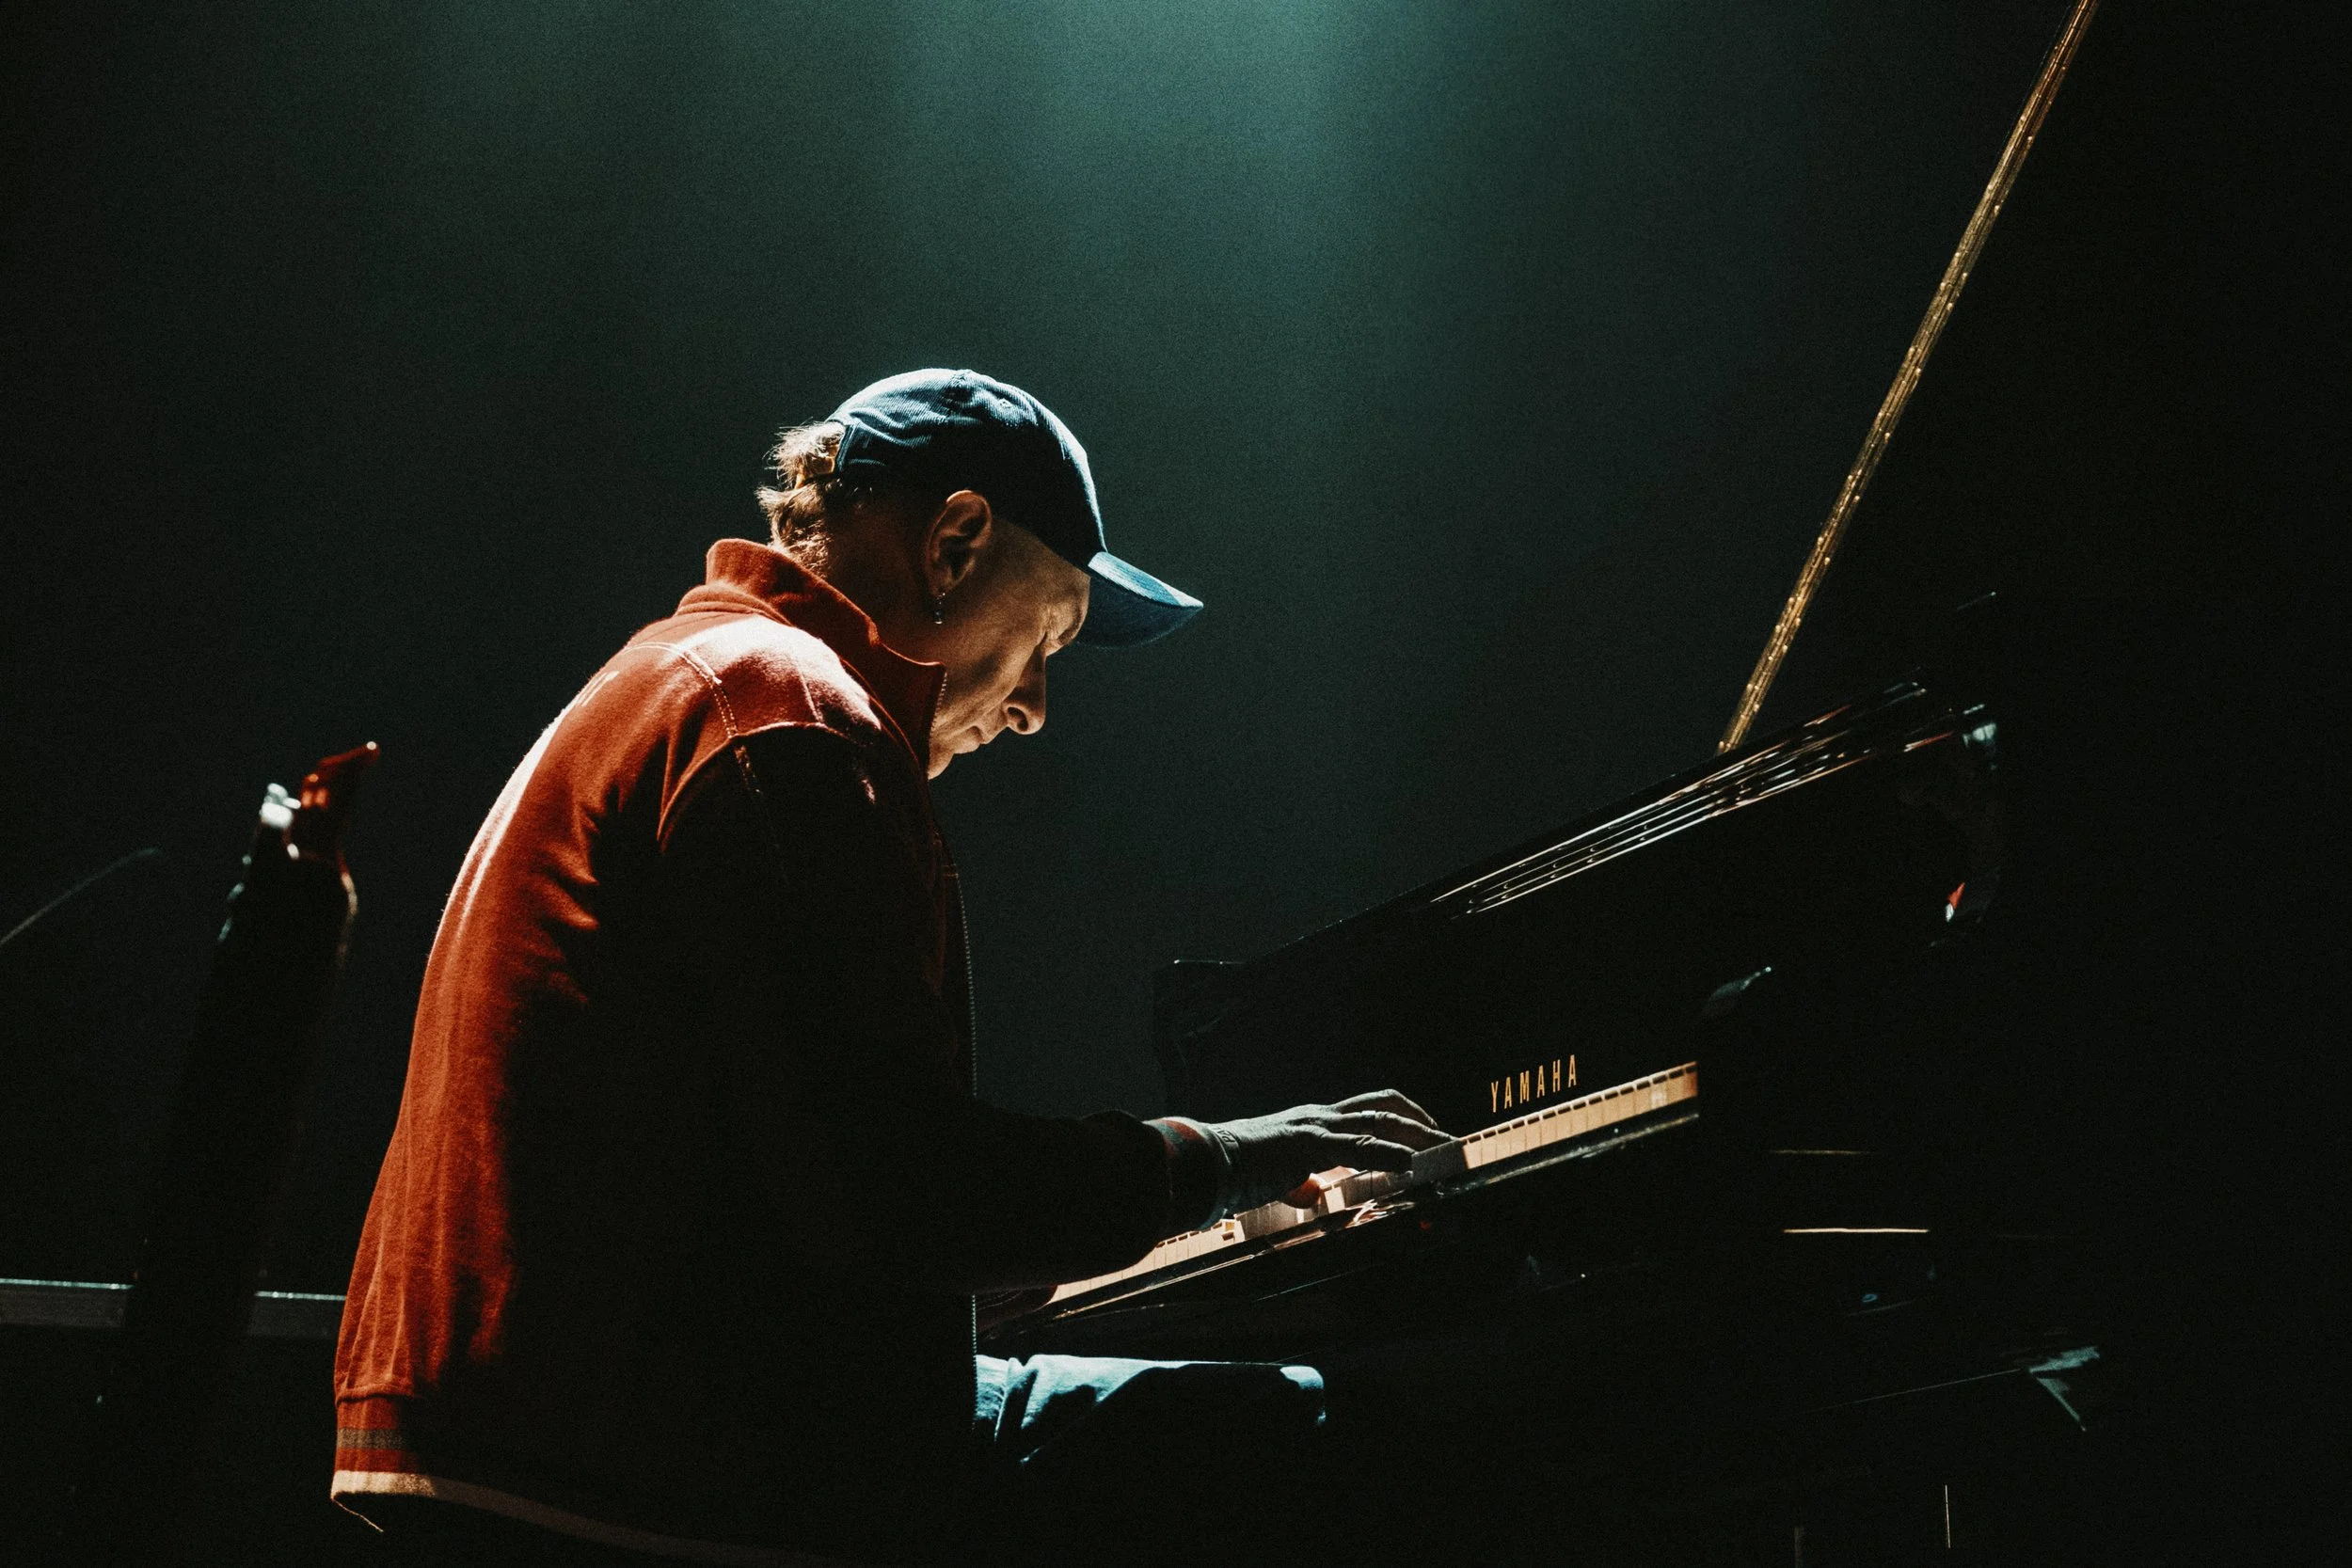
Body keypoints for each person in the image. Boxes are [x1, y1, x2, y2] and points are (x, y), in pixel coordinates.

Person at [330, 369, 1448, 1565]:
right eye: (1051, 635)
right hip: (642, 1448)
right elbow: (894, 1185)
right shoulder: (790, 712)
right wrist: (1224, 1158)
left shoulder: (682, 675)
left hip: (532, 1418)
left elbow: (787, 1184)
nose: (1033, 708)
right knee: (1311, 1427)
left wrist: (1158, 1230)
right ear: (957, 541)